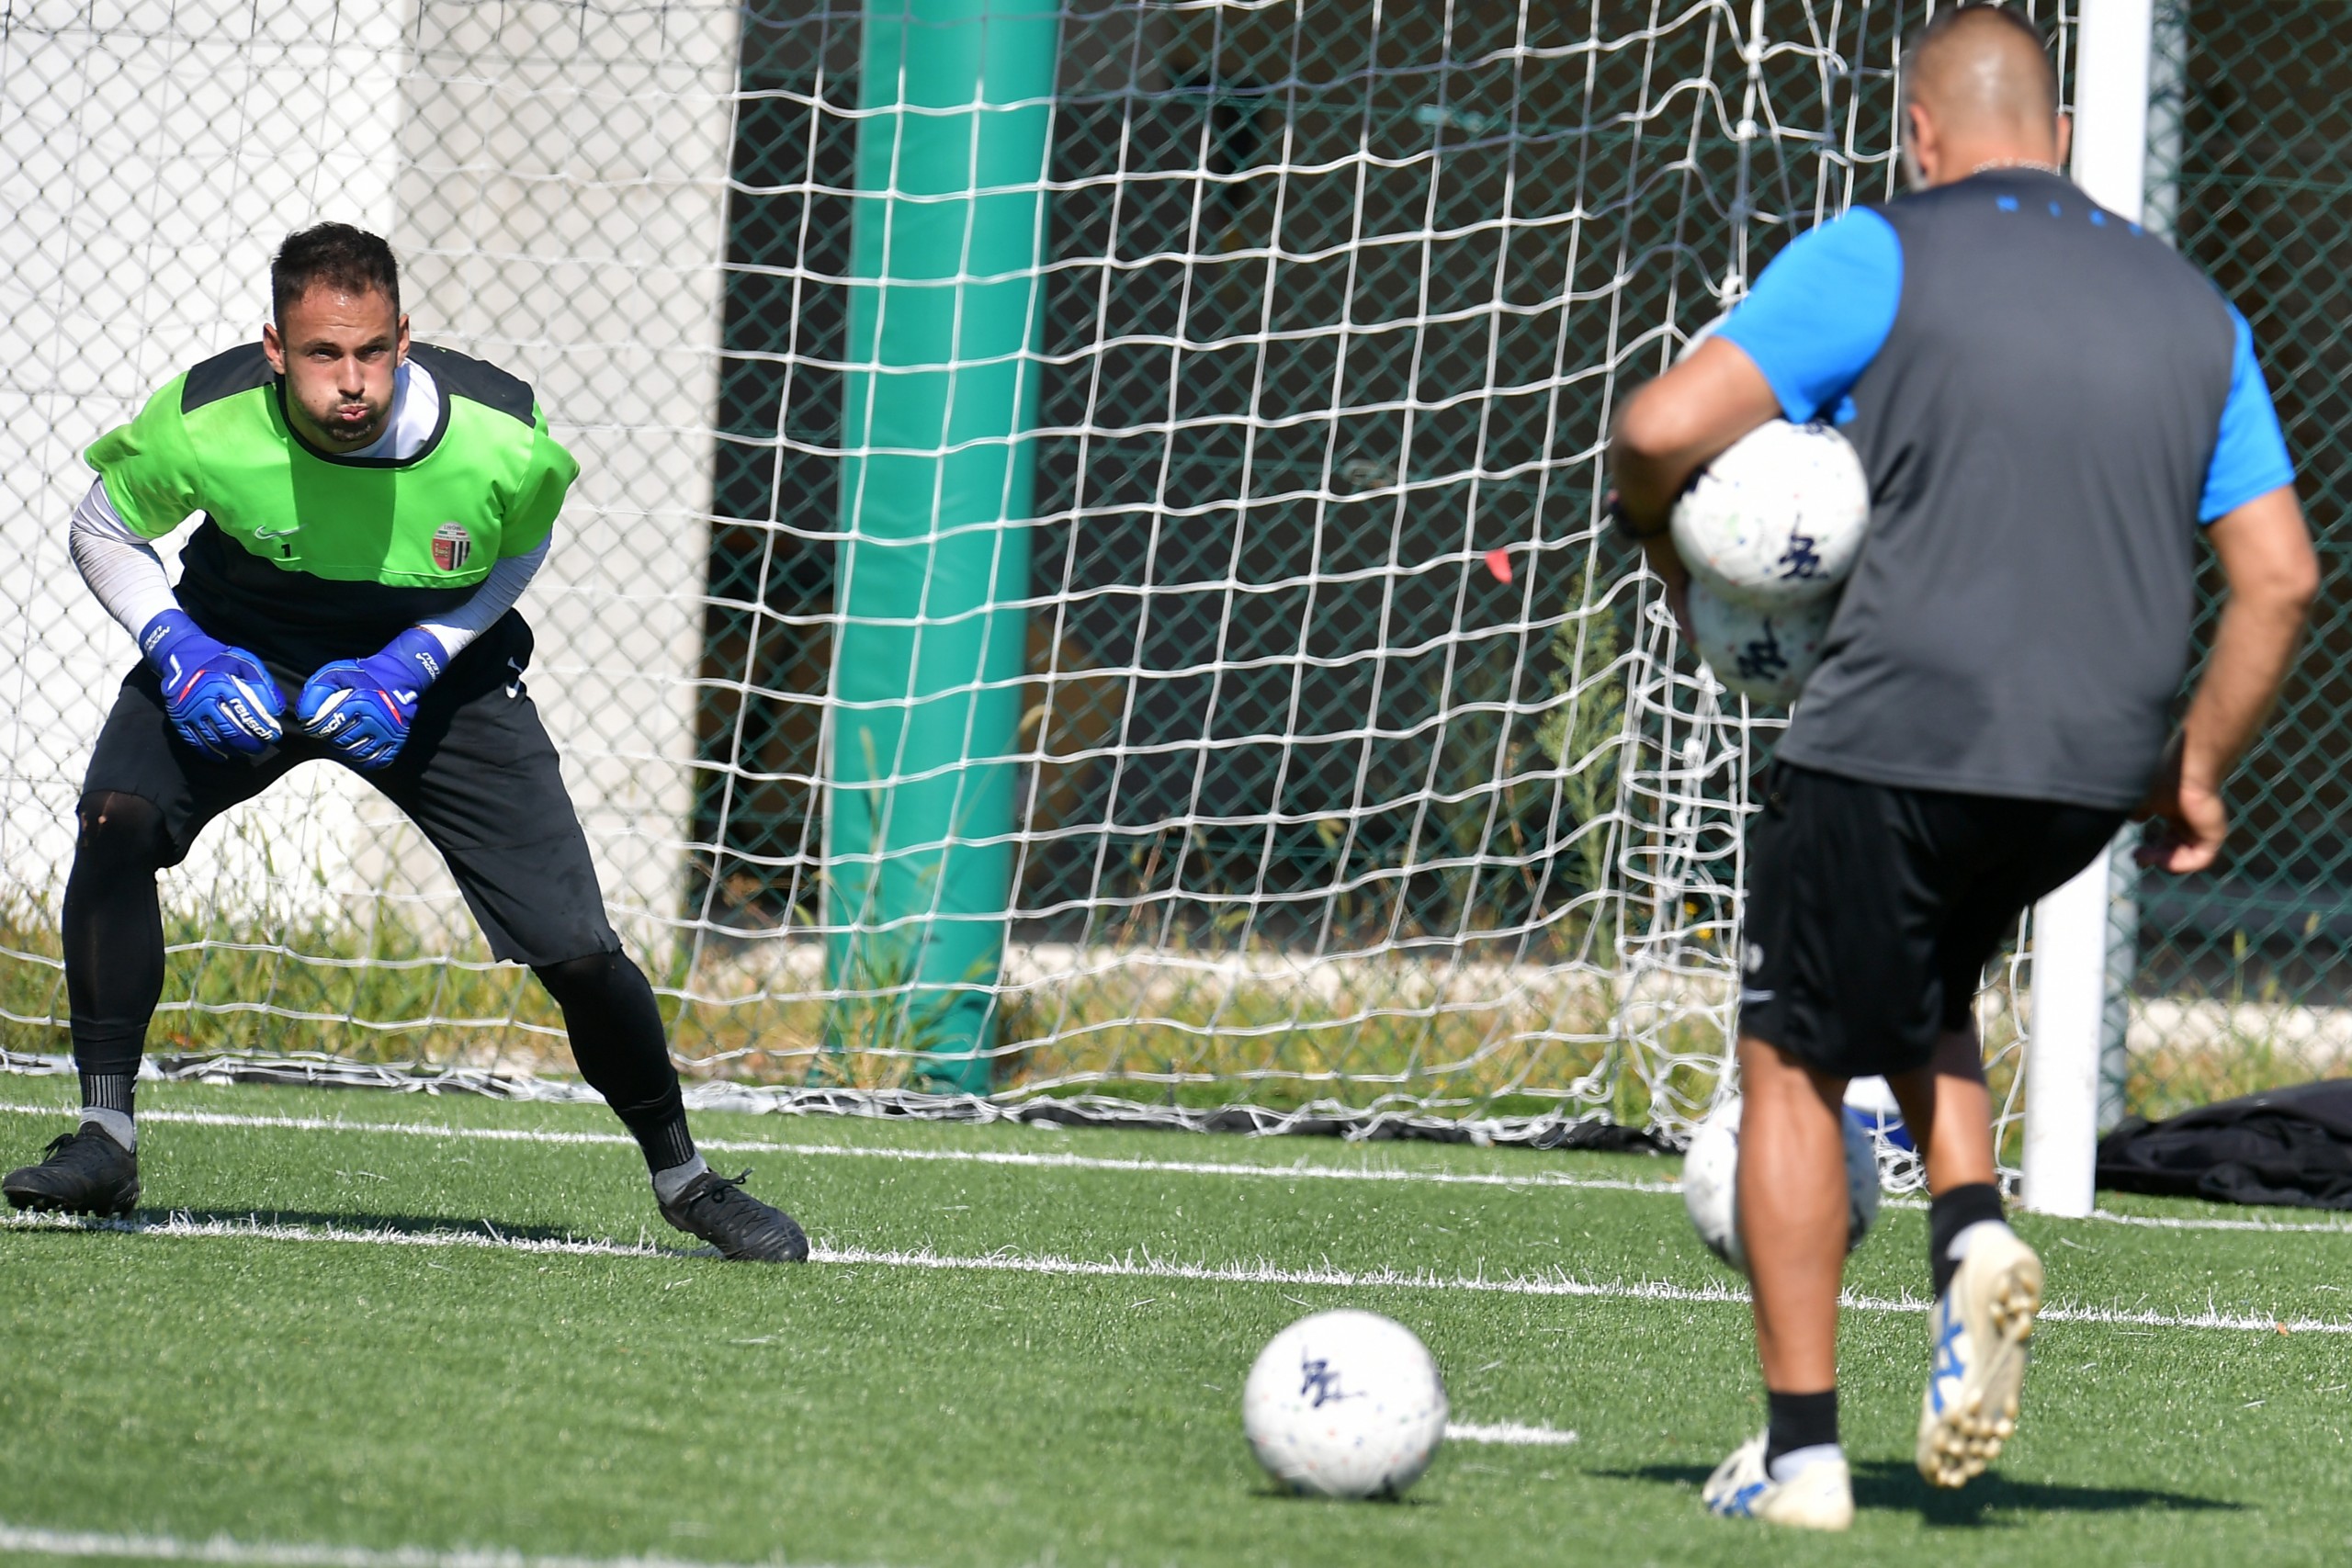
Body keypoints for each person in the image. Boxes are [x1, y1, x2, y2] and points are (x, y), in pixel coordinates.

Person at [1609, 5, 2316, 1529]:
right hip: (2088, 770)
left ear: (1920, 139)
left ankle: (1801, 1455)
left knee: (1791, 1053)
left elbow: (1660, 425)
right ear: (2059, 137)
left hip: (1899, 727)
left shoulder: (1882, 249)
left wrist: (1668, 552)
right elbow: (2279, 579)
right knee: (1923, 978)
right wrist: (2193, 762)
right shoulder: (2198, 306)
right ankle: (1974, 1235)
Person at [3, 224, 811, 1263]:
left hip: (434, 675)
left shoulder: (500, 435)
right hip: (239, 648)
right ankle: (105, 1137)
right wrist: (176, 646)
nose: (352, 381)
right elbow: (102, 528)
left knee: (574, 945)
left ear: (404, 341)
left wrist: (413, 663)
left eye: (372, 352)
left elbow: (517, 551)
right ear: (274, 351)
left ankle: (687, 1180)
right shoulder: (203, 422)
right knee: (115, 822)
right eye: (323, 354)